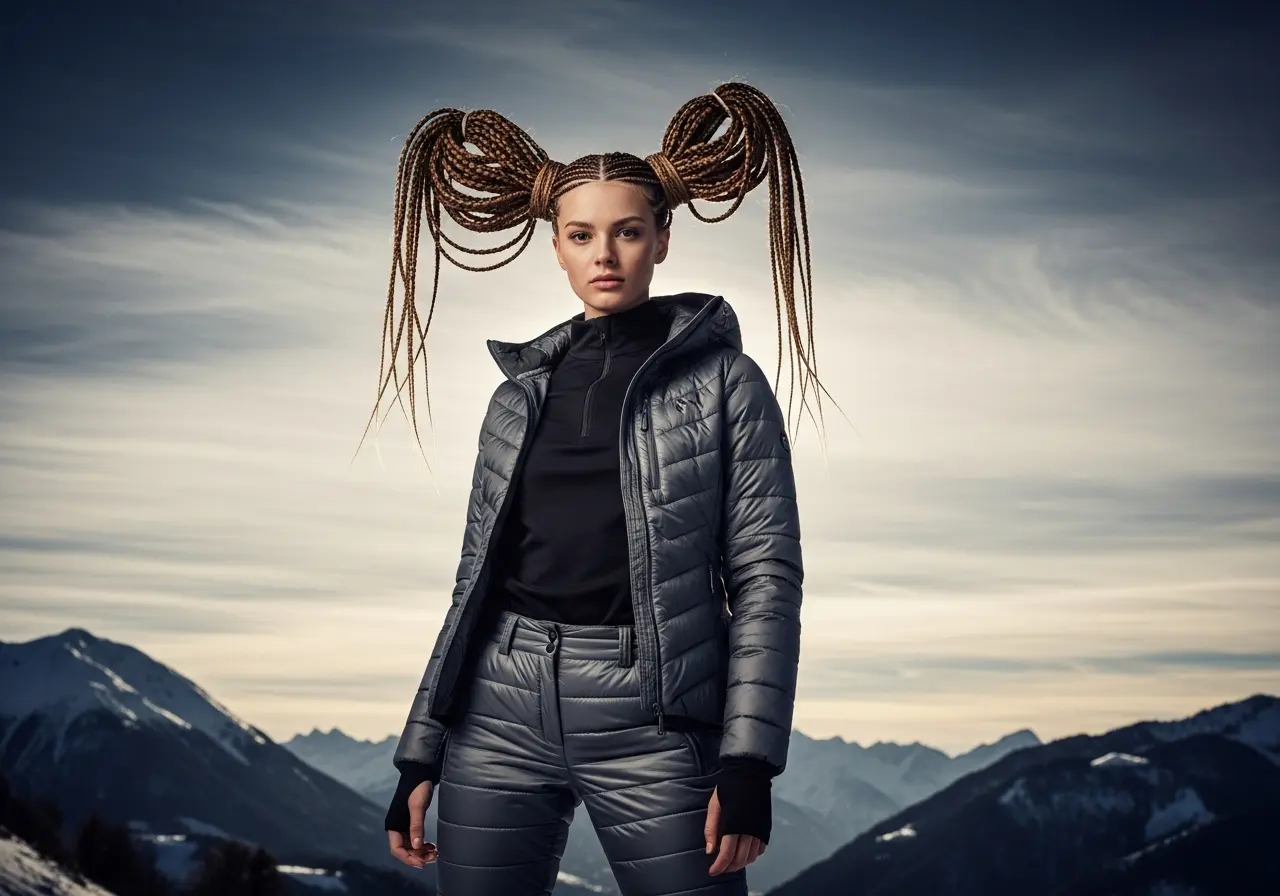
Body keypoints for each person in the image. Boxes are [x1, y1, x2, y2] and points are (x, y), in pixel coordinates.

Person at [367, 82, 832, 896]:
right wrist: (422, 749)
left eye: (627, 232)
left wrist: (749, 760)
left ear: (662, 240)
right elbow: (472, 583)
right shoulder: (516, 399)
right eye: (582, 235)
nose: (604, 255)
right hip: (496, 711)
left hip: (653, 722)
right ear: (555, 246)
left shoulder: (727, 384)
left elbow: (766, 577)